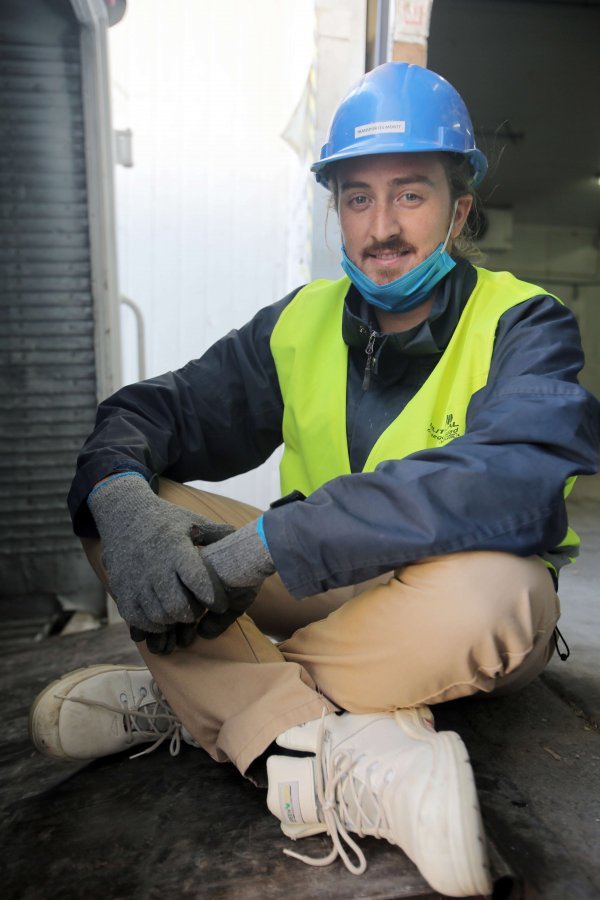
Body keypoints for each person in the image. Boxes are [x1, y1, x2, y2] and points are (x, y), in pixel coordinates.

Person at [29, 62, 599, 897]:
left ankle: (207, 705)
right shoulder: (297, 324)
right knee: (126, 508)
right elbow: (149, 415)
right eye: (358, 198)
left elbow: (514, 484)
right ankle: (296, 730)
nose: (383, 225)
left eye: (410, 193)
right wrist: (118, 491)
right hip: (325, 592)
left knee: (501, 597)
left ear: (459, 209)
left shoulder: (525, 321)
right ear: (336, 209)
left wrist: (264, 543)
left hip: (441, 601)